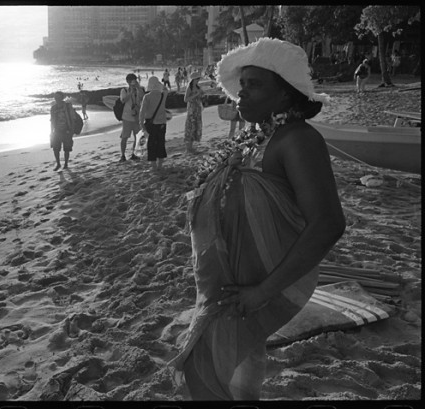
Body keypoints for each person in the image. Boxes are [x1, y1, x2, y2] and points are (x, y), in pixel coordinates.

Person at [172, 38, 346, 400]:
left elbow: (328, 223)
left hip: (265, 284)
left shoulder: (298, 139)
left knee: (200, 370)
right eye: (242, 85)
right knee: (244, 356)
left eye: (255, 85)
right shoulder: (263, 135)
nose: (241, 94)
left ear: (285, 95)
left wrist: (262, 293)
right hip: (240, 281)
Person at [139, 76, 168, 171]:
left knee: (151, 144)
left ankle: (154, 165)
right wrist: (160, 85)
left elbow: (142, 112)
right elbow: (165, 88)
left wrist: (141, 124)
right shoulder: (163, 95)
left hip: (151, 124)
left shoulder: (147, 97)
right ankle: (160, 165)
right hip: (162, 123)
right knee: (161, 143)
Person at [118, 73, 145, 162]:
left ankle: (134, 154)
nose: (134, 82)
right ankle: (122, 155)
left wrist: (138, 88)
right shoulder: (124, 91)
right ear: (128, 81)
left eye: (135, 80)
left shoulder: (139, 89)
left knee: (137, 137)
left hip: (137, 117)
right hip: (127, 117)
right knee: (124, 137)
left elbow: (143, 98)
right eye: (132, 81)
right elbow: (123, 100)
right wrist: (131, 92)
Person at [50, 91, 76, 171]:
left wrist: (72, 130)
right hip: (56, 131)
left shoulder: (68, 106)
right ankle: (58, 164)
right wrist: (51, 131)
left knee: (67, 149)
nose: (56, 98)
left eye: (58, 97)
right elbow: (52, 120)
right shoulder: (53, 108)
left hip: (66, 130)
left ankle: (66, 164)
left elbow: (73, 118)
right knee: (55, 148)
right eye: (55, 97)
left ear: (62, 97)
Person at [183, 72, 204, 154]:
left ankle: (191, 147)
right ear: (193, 79)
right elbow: (185, 99)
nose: (198, 80)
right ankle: (188, 148)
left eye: (199, 78)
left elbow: (200, 96)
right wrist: (196, 95)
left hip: (197, 109)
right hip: (192, 109)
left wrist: (201, 94)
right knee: (190, 127)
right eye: (197, 79)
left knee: (195, 127)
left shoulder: (197, 87)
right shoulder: (190, 87)